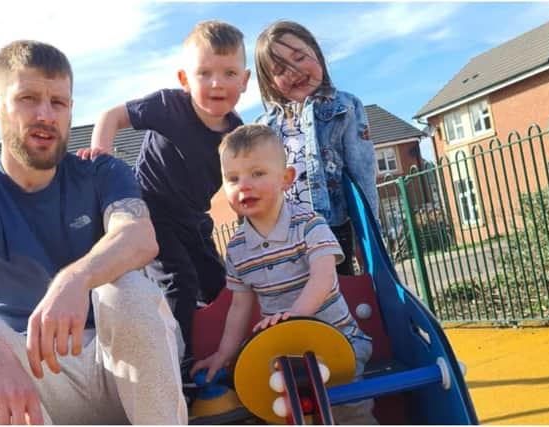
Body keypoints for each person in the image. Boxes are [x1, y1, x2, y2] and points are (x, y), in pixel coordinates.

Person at [0, 40, 186, 425]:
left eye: (59, 103)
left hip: (116, 362)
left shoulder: (101, 173)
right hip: (31, 374)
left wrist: (76, 278)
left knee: (128, 291)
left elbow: (138, 236)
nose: (45, 115)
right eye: (28, 98)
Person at [78, 21, 250, 367]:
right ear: (185, 80)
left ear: (244, 81)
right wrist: (101, 155)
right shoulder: (170, 106)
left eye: (229, 72)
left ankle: (220, 355)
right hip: (152, 209)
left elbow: (241, 181)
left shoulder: (238, 134)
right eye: (204, 73)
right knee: (180, 281)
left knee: (220, 285)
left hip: (194, 216)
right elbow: (111, 115)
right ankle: (177, 362)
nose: (217, 83)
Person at [191, 124, 376, 424]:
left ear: (286, 179)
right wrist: (223, 355)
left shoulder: (309, 225)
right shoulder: (238, 249)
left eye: (257, 174)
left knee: (347, 410)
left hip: (337, 342)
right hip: (283, 353)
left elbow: (324, 277)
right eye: (233, 178)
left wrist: (295, 316)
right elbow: (239, 308)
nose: (244, 185)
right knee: (280, 409)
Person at [254, 21, 379, 276]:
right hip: (286, 238)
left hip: (332, 228)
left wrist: (368, 238)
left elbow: (363, 174)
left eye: (299, 58)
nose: (293, 71)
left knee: (339, 297)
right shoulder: (265, 128)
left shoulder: (345, 106)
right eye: (280, 69)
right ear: (269, 81)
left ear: (316, 52)